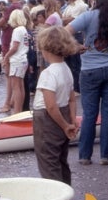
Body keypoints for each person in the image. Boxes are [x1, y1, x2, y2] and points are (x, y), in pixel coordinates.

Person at [65, 0, 108, 166]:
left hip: (89, 70)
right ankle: (107, 155)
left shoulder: (87, 16)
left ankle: (85, 156)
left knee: (89, 113)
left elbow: (64, 33)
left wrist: (75, 46)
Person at [32, 26, 79, 189]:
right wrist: (72, 120)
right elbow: (72, 98)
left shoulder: (48, 73)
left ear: (45, 49)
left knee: (48, 162)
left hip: (47, 120)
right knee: (61, 159)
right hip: (64, 113)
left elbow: (50, 106)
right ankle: (66, 193)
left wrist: (66, 126)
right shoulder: (66, 69)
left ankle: (55, 196)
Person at [0, 0, 23, 113]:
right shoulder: (21, 6)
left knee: (9, 75)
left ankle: (8, 102)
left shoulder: (12, 7)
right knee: (16, 78)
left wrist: (3, 23)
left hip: (8, 42)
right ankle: (12, 101)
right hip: (14, 43)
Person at [62, 0, 88, 94]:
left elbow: (72, 20)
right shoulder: (70, 6)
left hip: (76, 35)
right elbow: (64, 19)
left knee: (75, 64)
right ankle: (71, 87)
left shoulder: (81, 5)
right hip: (68, 34)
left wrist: (64, 19)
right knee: (68, 63)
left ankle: (77, 88)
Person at [2, 9, 28, 114]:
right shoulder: (24, 30)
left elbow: (15, 47)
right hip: (23, 59)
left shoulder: (17, 30)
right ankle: (19, 109)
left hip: (17, 60)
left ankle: (17, 111)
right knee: (20, 86)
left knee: (16, 86)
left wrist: (6, 57)